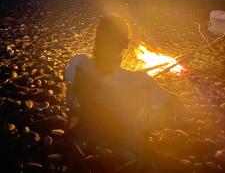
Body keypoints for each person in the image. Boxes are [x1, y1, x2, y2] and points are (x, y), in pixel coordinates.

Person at [64, 15, 184, 155]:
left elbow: (72, 91)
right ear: (124, 46)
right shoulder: (141, 81)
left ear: (96, 40)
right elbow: (176, 106)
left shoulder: (79, 64)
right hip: (123, 156)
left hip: (82, 148)